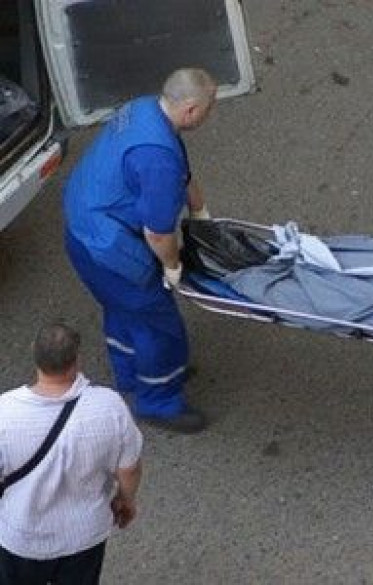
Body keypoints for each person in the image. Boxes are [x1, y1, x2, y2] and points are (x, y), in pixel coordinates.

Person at [63, 68, 218, 433]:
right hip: (110, 248)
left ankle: (131, 375)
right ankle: (159, 401)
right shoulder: (157, 159)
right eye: (209, 108)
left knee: (121, 310)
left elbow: (183, 173)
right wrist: (173, 267)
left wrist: (199, 210)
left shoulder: (144, 110)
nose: (210, 114)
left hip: (83, 230)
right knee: (158, 326)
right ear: (191, 110)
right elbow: (158, 233)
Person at [0, 323, 143, 585]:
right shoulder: (109, 406)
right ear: (77, 358)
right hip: (84, 537)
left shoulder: (4, 411)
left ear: (34, 353)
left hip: (21, 538)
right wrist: (126, 500)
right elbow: (129, 467)